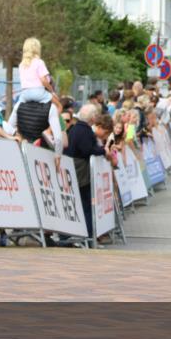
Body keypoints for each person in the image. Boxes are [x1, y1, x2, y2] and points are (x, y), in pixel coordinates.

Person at [64, 103, 106, 241]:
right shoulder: (85, 131)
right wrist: (103, 150)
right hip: (81, 171)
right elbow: (88, 150)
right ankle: (87, 233)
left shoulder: (76, 128)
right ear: (92, 117)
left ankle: (78, 233)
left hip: (75, 168)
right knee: (85, 202)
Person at [17, 37, 52, 104]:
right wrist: (51, 89)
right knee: (57, 104)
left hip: (25, 94)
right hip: (38, 92)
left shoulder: (21, 65)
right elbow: (44, 80)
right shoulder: (39, 62)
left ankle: (13, 114)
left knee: (17, 108)